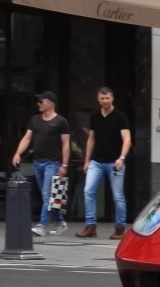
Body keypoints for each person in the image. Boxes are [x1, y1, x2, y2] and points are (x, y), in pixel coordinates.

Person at [12, 92, 70, 236]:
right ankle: (60, 221)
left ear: (51, 103)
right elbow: (27, 138)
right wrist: (18, 153)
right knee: (50, 195)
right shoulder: (35, 119)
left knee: (47, 194)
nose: (38, 104)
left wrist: (64, 165)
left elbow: (66, 144)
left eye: (41, 101)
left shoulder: (61, 122)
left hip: (53, 162)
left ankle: (42, 225)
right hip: (38, 162)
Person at [77, 86, 131, 239]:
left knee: (118, 196)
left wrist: (121, 158)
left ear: (112, 98)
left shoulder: (120, 116)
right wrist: (87, 160)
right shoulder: (94, 116)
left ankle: (120, 228)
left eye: (108, 98)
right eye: (102, 98)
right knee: (88, 191)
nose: (105, 101)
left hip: (114, 162)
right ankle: (90, 226)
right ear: (98, 99)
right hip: (96, 161)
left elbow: (127, 139)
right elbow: (91, 139)